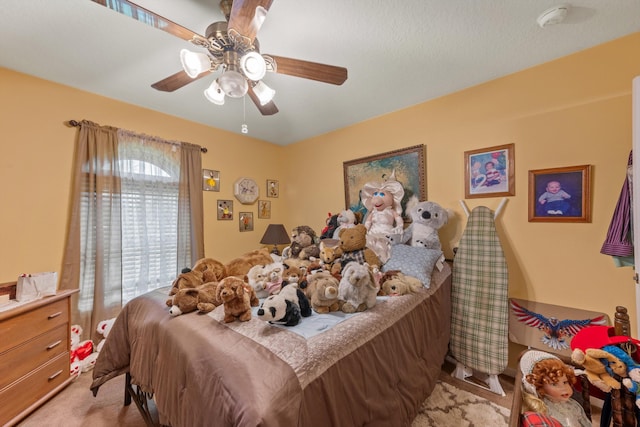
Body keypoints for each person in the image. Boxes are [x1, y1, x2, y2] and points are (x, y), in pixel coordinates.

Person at [520, 350, 591, 427]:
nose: (564, 388)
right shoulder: (543, 410)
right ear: (539, 387)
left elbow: (585, 423)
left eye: (565, 382)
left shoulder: (573, 405)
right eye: (554, 384)